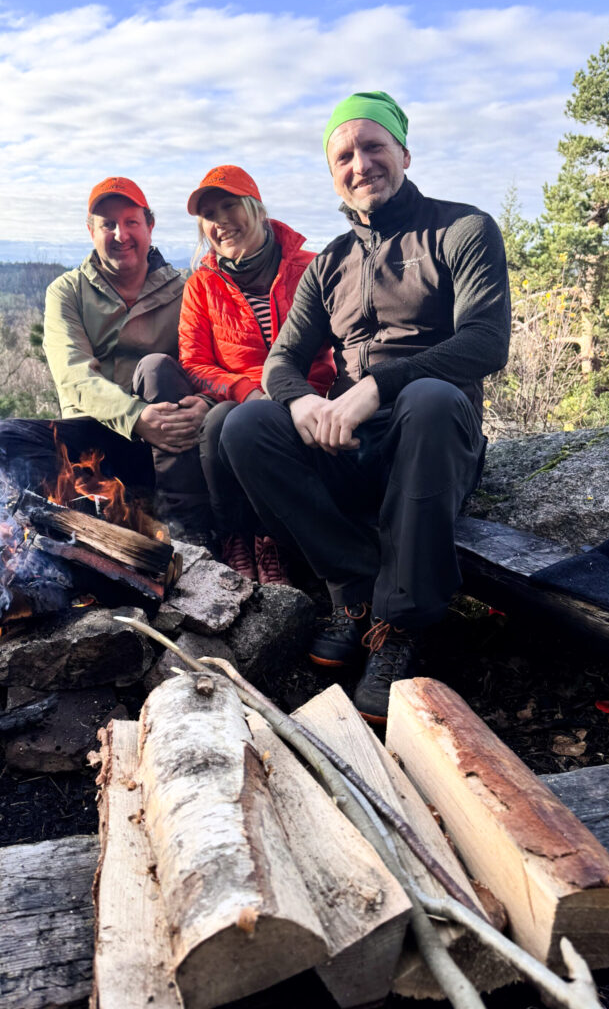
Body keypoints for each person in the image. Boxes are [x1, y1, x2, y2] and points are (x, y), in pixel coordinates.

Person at [219, 91, 511, 721]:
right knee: (246, 424)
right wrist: (299, 405)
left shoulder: (462, 229)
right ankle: (353, 591)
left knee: (429, 399)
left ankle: (401, 626)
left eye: (373, 146)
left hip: (434, 438)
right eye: (344, 155)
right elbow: (281, 362)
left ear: (403, 150)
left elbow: (486, 342)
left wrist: (378, 387)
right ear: (334, 175)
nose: (361, 164)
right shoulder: (330, 263)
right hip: (352, 446)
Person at [0, 176, 211, 538]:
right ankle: (91, 519)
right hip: (96, 441)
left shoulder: (185, 290)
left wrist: (205, 401)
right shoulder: (68, 291)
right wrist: (135, 417)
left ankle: (187, 529)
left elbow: (209, 363)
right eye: (108, 224)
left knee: (157, 369)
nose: (121, 235)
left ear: (149, 226)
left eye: (131, 222)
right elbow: (74, 375)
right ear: (91, 231)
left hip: (167, 443)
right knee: (2, 440)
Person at [178, 165, 335, 583]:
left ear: (257, 209)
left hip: (309, 394)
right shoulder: (202, 284)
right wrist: (246, 390)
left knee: (242, 423)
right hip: (237, 399)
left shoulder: (310, 268)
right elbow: (193, 361)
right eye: (209, 214)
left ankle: (271, 539)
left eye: (230, 205)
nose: (221, 220)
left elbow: (344, 340)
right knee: (218, 423)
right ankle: (236, 538)